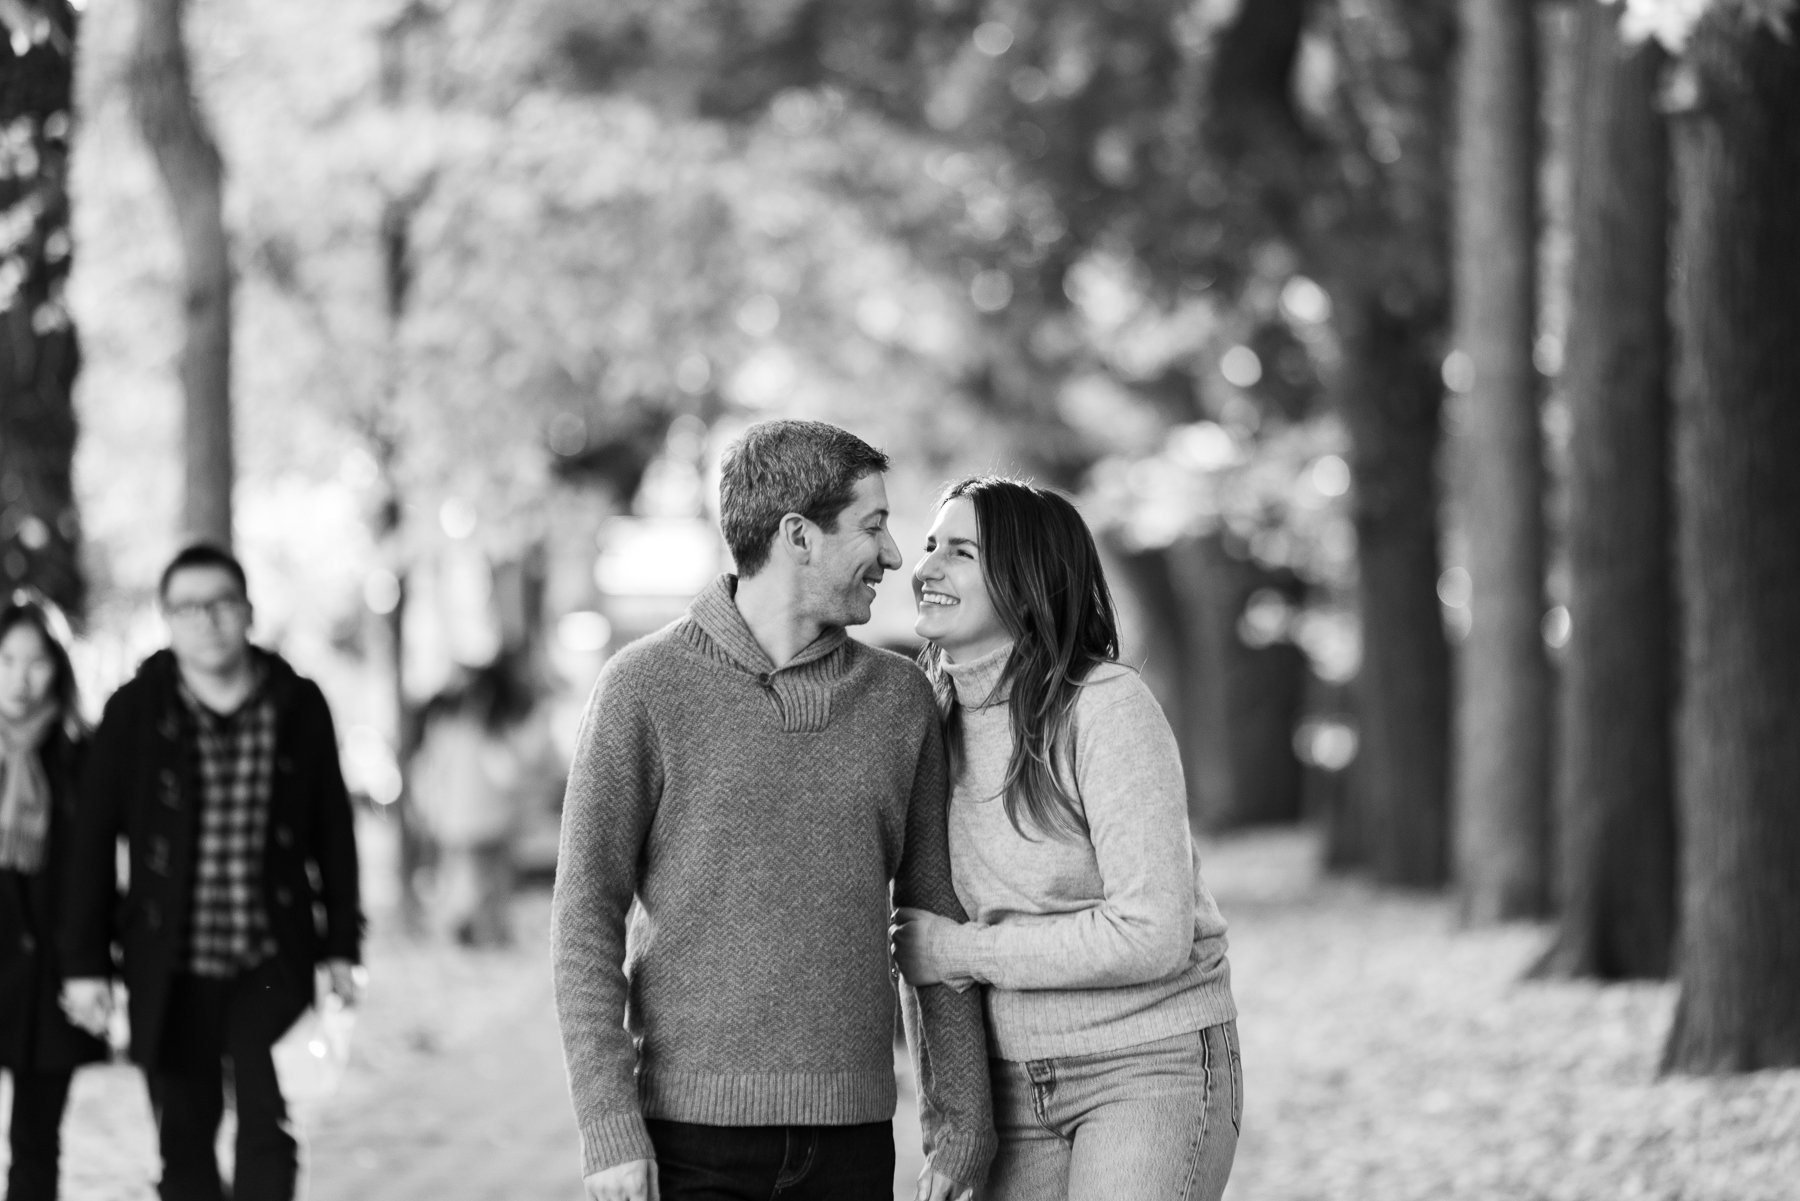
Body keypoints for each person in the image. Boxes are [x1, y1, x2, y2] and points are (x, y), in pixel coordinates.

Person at [553, 420, 995, 1201]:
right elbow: (584, 915)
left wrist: (961, 1123)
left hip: (854, 1145)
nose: (895, 556)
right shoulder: (643, 688)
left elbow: (934, 918)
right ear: (798, 535)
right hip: (688, 1145)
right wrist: (607, 1123)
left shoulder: (902, 701)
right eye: (874, 526)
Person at [892, 476, 1242, 1201]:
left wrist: (962, 952)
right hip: (1007, 1086)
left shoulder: (1105, 708)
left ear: (1026, 581)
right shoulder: (922, 722)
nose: (925, 568)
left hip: (1146, 1065)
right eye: (930, 547)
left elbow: (1152, 931)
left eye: (959, 552)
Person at [59, 544, 363, 1201]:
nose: (208, 620)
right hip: (170, 964)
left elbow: (334, 835)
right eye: (188, 607)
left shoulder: (298, 704)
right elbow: (91, 843)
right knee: (183, 1143)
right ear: (167, 618)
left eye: (222, 603)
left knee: (270, 1130)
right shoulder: (133, 710)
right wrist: (84, 960)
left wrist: (343, 945)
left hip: (271, 960)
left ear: (248, 610)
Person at [0, 596, 105, 1201]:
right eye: (7, 659)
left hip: (51, 979)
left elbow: (96, 873)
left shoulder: (83, 755)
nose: (20, 677)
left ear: (58, 668)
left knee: (36, 1147)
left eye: (35, 662)